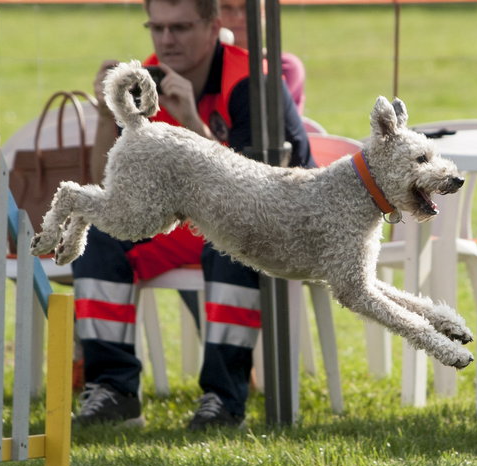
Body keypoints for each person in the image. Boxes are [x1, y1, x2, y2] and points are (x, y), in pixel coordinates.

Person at [72, 0, 314, 430]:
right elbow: (106, 185)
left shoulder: (251, 83)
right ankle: (113, 391)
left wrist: (190, 122)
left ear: (213, 26)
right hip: (193, 219)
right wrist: (103, 115)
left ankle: (224, 400)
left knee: (231, 240)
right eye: (157, 27)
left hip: (278, 218)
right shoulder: (147, 81)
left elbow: (253, 193)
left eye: (180, 27)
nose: (167, 40)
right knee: (102, 233)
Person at [218, 0, 306, 114]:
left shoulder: (284, 66)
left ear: (264, 14)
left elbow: (268, 118)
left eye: (246, 7)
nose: (237, 16)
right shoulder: (204, 65)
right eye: (226, 8)